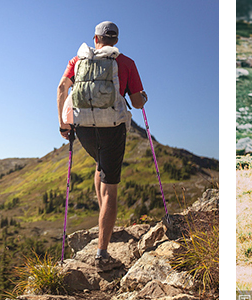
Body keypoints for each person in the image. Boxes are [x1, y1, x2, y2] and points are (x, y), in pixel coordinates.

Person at [57, 21, 146, 263]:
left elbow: (62, 87)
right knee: (111, 189)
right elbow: (137, 103)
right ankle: (102, 253)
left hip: (83, 128)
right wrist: (143, 97)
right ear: (115, 40)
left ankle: (102, 220)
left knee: (100, 164)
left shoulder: (78, 61)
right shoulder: (125, 63)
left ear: (95, 39)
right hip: (113, 129)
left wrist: (63, 124)